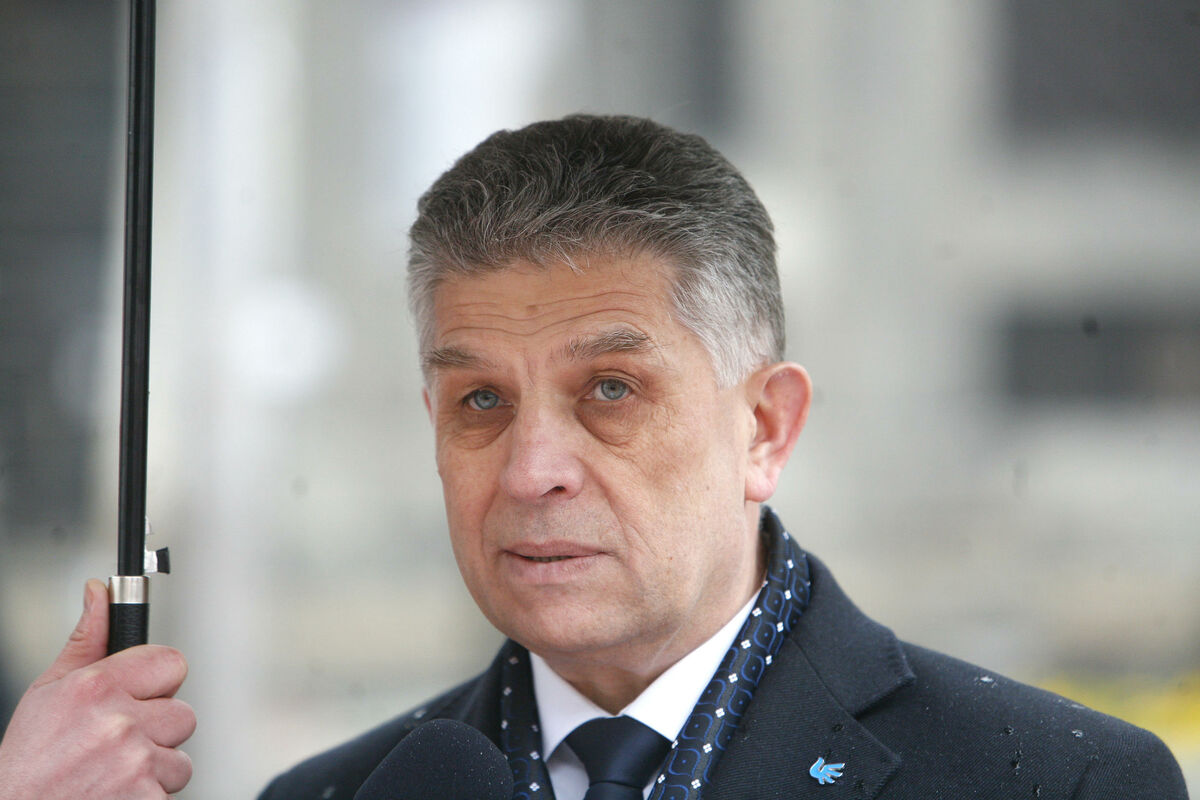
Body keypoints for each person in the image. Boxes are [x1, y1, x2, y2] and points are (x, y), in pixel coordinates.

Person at [0, 115, 1188, 799]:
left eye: (610, 390)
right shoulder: (329, 797)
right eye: (479, 400)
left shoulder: (1059, 783)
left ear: (765, 427)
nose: (531, 471)